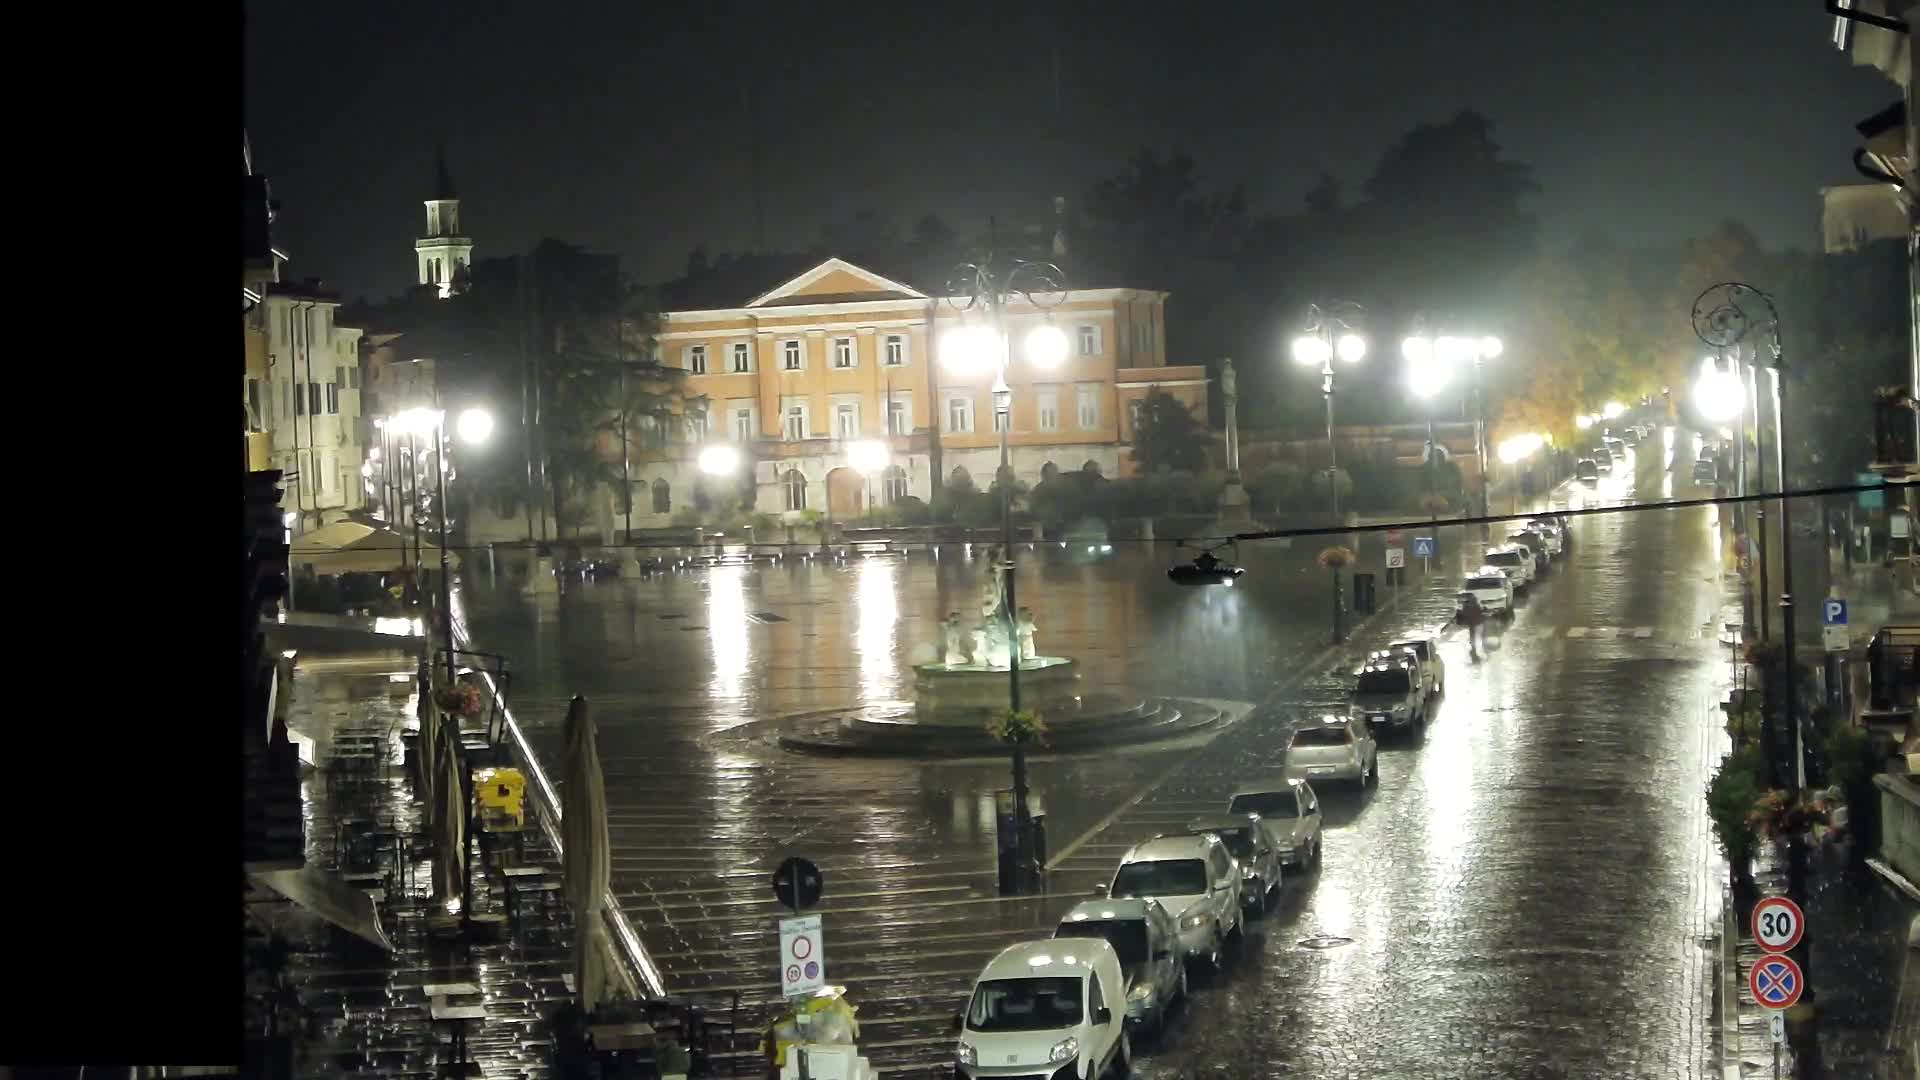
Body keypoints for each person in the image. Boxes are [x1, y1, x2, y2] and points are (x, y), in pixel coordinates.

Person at [1459, 594, 1486, 660]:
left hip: (1472, 617)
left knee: (1473, 633)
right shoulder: (1476, 623)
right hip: (1471, 617)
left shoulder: (1476, 623)